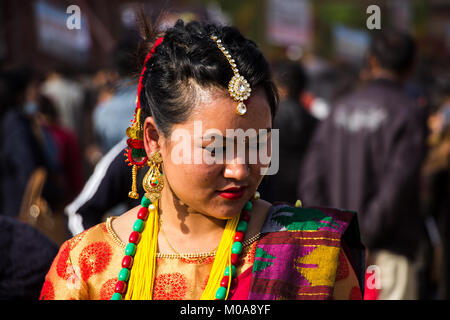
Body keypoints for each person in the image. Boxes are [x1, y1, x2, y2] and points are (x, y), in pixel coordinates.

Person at [40, 18, 364, 300]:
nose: (239, 169)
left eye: (257, 143)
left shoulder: (313, 253)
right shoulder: (85, 266)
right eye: (216, 149)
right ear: (153, 140)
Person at [299, 30, 428, 299]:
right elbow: (399, 185)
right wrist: (363, 235)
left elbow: (311, 180)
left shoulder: (339, 109)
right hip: (387, 256)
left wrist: (331, 232)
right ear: (412, 65)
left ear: (371, 61)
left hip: (338, 251)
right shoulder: (408, 112)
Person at [259, 61, 317, 204]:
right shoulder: (314, 122)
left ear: (279, 86)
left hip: (270, 194)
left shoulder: (269, 119)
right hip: (302, 194)